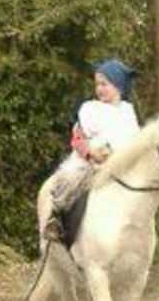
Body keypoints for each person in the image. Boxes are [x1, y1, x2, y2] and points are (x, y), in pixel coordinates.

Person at [43, 58, 140, 242]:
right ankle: (56, 219)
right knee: (69, 179)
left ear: (118, 85)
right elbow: (78, 137)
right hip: (89, 162)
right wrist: (90, 153)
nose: (100, 89)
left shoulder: (128, 111)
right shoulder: (90, 109)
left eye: (105, 84)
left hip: (119, 164)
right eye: (97, 84)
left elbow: (134, 139)